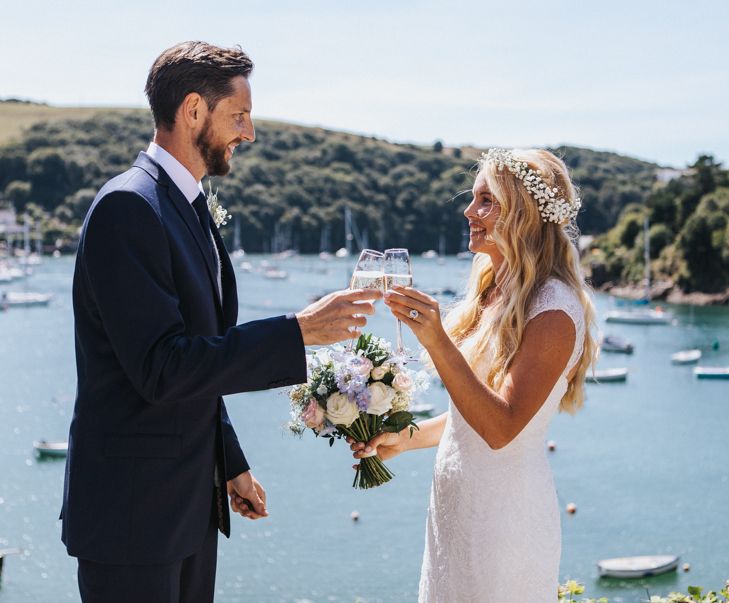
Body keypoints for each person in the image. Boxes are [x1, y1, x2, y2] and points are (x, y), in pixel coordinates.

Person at [60, 41, 380, 603]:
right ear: (192, 111)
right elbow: (163, 366)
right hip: (132, 520)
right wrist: (298, 332)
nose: (249, 133)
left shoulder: (185, 205)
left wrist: (227, 462)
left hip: (187, 508)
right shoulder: (127, 208)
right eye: (239, 116)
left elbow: (198, 358)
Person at [351, 148, 597, 602]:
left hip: (504, 521)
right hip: (457, 510)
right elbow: (470, 413)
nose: (469, 210)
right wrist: (404, 438)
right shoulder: (493, 288)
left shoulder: (553, 310)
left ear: (522, 214)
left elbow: (501, 427)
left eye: (487, 200)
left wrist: (436, 339)